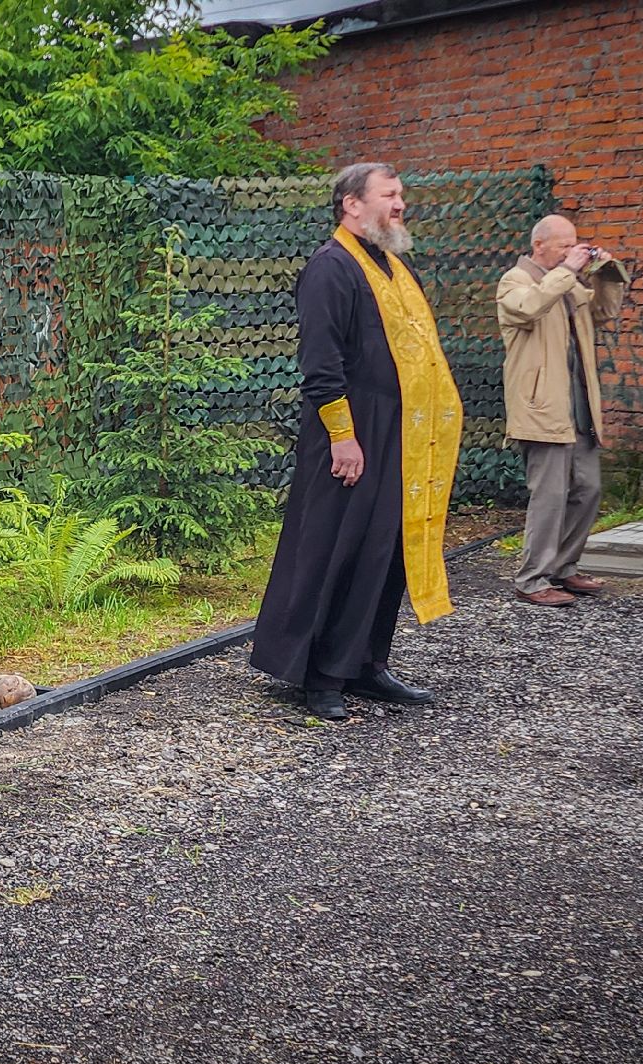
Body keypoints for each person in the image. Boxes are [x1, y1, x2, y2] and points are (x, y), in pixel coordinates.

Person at [249, 162, 463, 721]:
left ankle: (366, 663)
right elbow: (322, 365)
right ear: (351, 203)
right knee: (335, 549)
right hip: (349, 435)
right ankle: (318, 676)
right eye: (390, 195)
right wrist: (343, 437)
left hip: (398, 435)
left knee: (383, 551)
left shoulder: (390, 266)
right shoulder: (331, 267)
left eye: (401, 195)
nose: (400, 204)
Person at [496, 214, 627, 607]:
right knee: (550, 496)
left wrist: (605, 274)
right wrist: (568, 272)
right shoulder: (514, 281)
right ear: (539, 245)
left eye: (575, 244)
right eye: (564, 244)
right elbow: (527, 308)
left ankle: (563, 569)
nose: (572, 251)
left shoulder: (570, 284)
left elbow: (604, 313)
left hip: (579, 406)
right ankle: (532, 579)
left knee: (588, 490)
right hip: (541, 408)